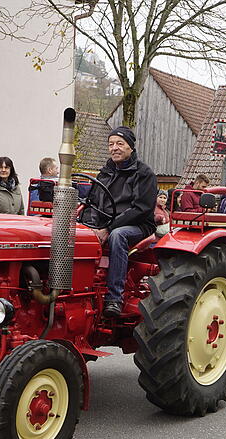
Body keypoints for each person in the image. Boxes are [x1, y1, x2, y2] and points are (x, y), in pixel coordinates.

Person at [83, 125, 157, 317]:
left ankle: (114, 298)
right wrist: (92, 227)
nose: (114, 148)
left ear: (130, 147)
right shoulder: (105, 173)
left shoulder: (143, 173)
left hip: (138, 225)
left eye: (119, 143)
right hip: (105, 224)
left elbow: (142, 209)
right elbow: (92, 202)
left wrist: (108, 228)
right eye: (111, 144)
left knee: (118, 236)